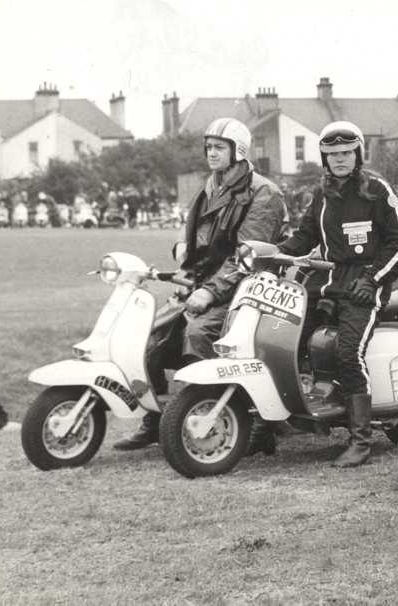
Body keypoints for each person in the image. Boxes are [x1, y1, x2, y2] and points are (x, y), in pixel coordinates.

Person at [113, 117, 287, 451]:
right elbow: (193, 227)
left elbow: (248, 255)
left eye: (219, 147)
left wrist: (210, 291)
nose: (211, 153)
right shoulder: (212, 185)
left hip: (246, 292)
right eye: (208, 147)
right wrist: (181, 245)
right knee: (149, 338)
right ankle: (156, 419)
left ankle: (247, 421)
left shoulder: (264, 193)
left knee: (198, 336)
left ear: (238, 151)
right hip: (201, 284)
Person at [276, 121, 398, 466]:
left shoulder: (377, 190)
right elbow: (303, 237)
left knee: (349, 352)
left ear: (358, 154)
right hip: (331, 282)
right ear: (324, 158)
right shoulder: (322, 194)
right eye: (332, 154)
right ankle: (292, 415)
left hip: (366, 286)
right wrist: (269, 254)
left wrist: (373, 279)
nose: (339, 160)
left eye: (345, 153)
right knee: (286, 335)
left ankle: (361, 441)